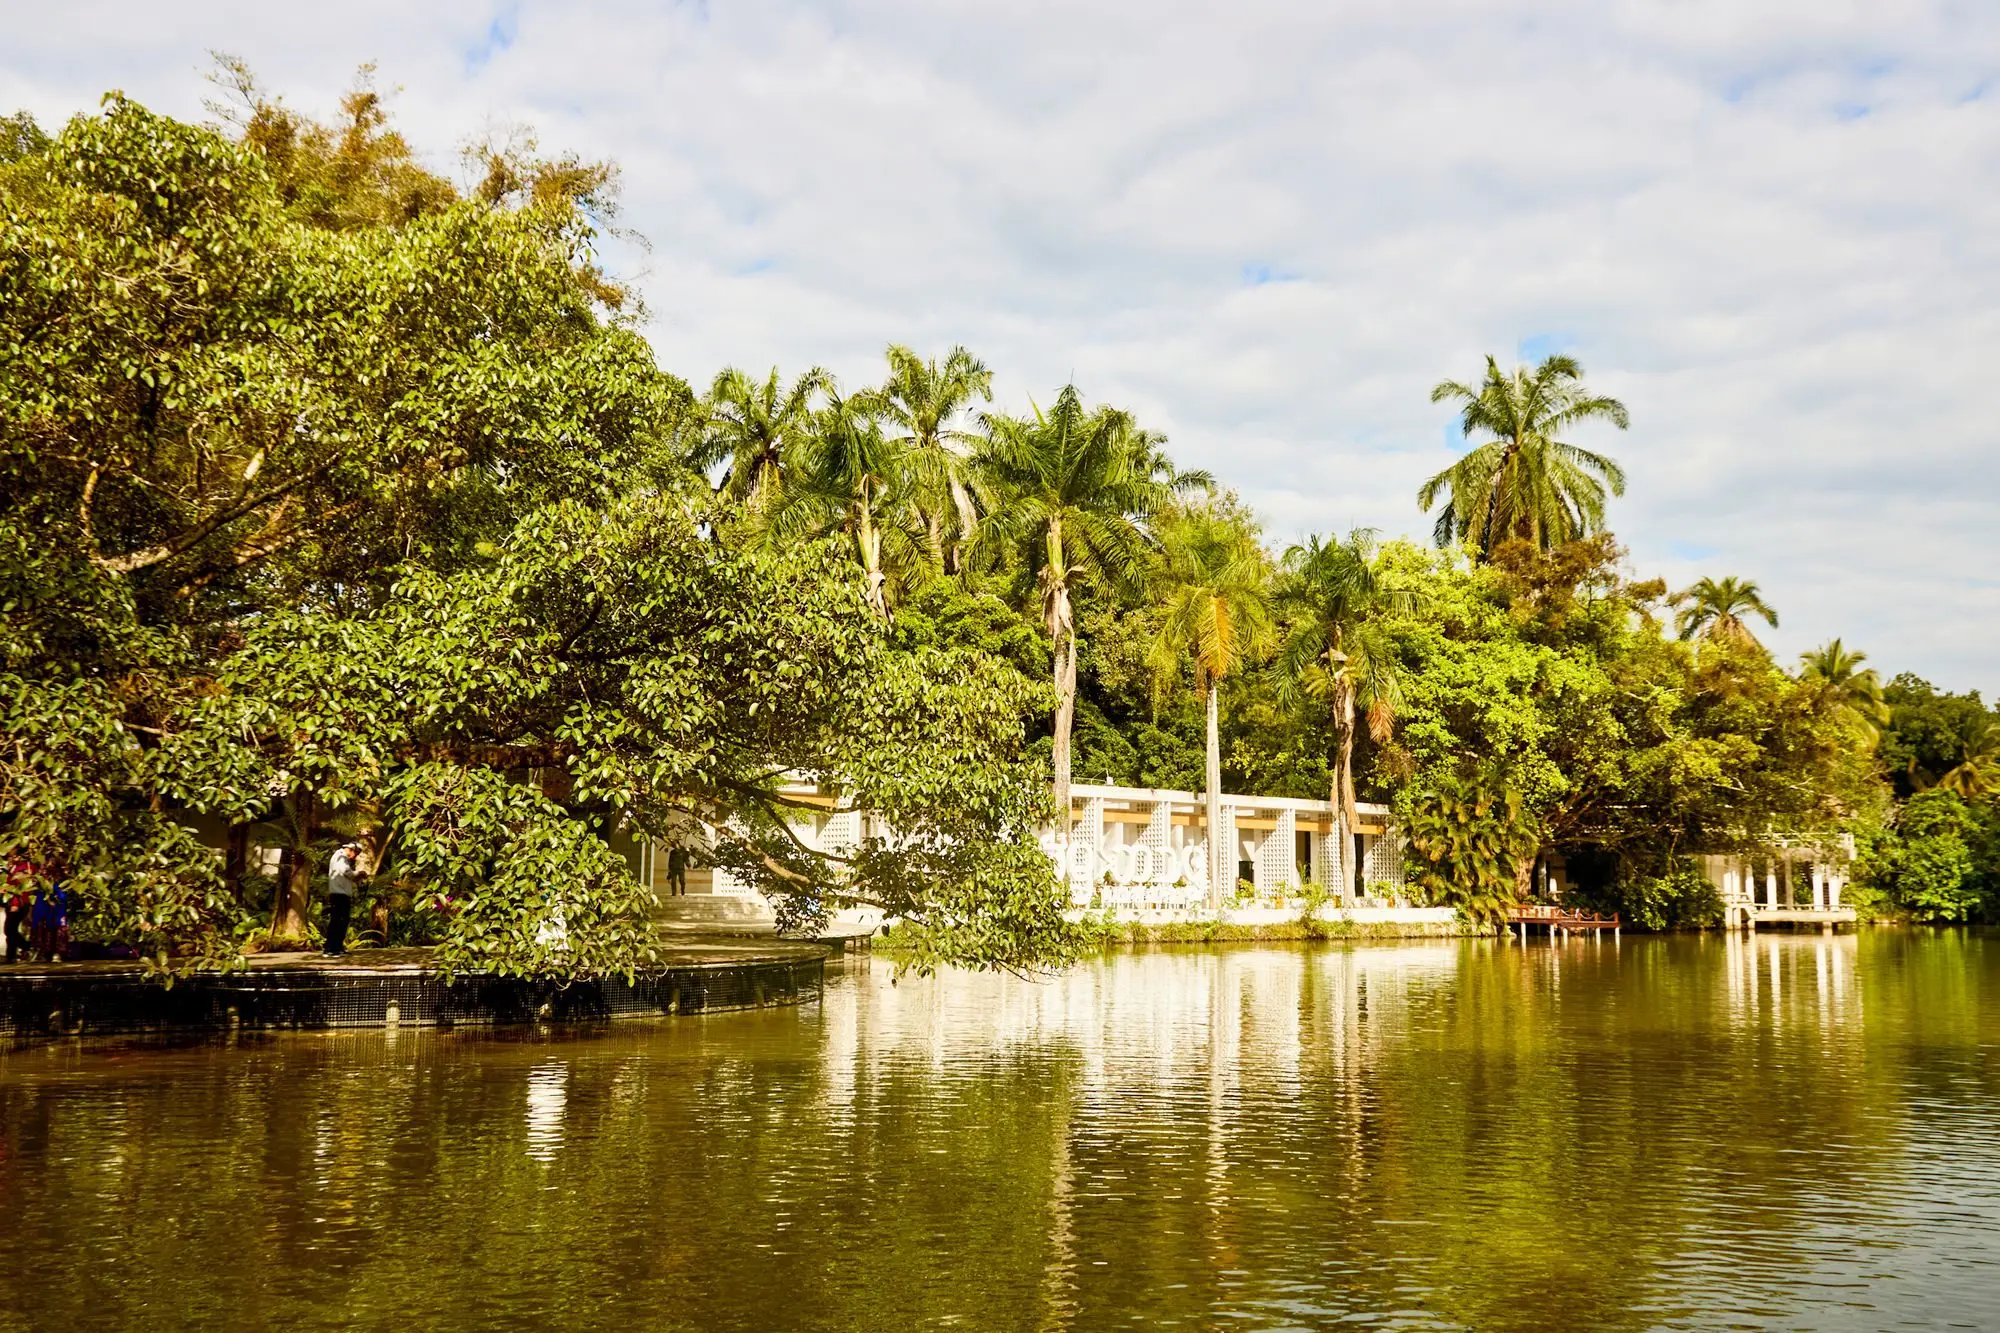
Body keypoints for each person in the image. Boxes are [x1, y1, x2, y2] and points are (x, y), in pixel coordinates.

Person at [323, 842, 364, 957]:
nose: (355, 857)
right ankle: (331, 948)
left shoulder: (340, 857)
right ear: (351, 850)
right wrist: (359, 873)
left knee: (341, 921)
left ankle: (337, 946)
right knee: (338, 921)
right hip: (339, 894)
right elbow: (346, 872)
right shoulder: (340, 856)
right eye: (356, 854)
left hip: (341, 893)